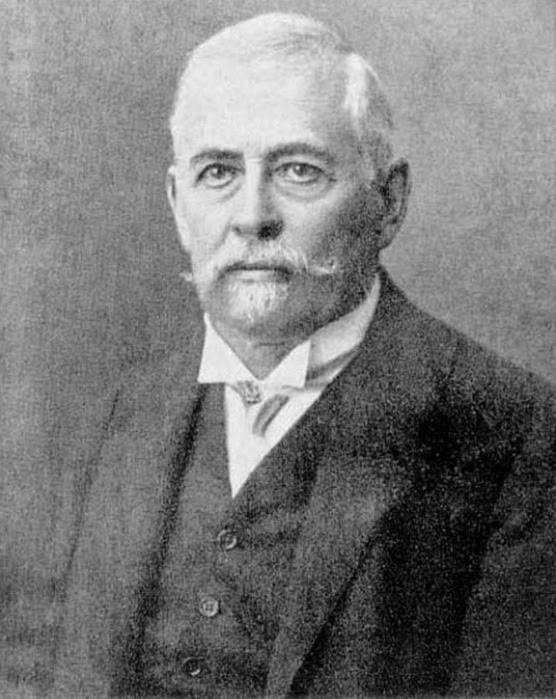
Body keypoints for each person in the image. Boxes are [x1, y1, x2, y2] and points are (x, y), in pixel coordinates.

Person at [45, 12, 556, 698]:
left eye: (298, 171)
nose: (252, 215)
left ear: (389, 202)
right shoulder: (128, 409)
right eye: (218, 172)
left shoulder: (511, 427)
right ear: (177, 204)